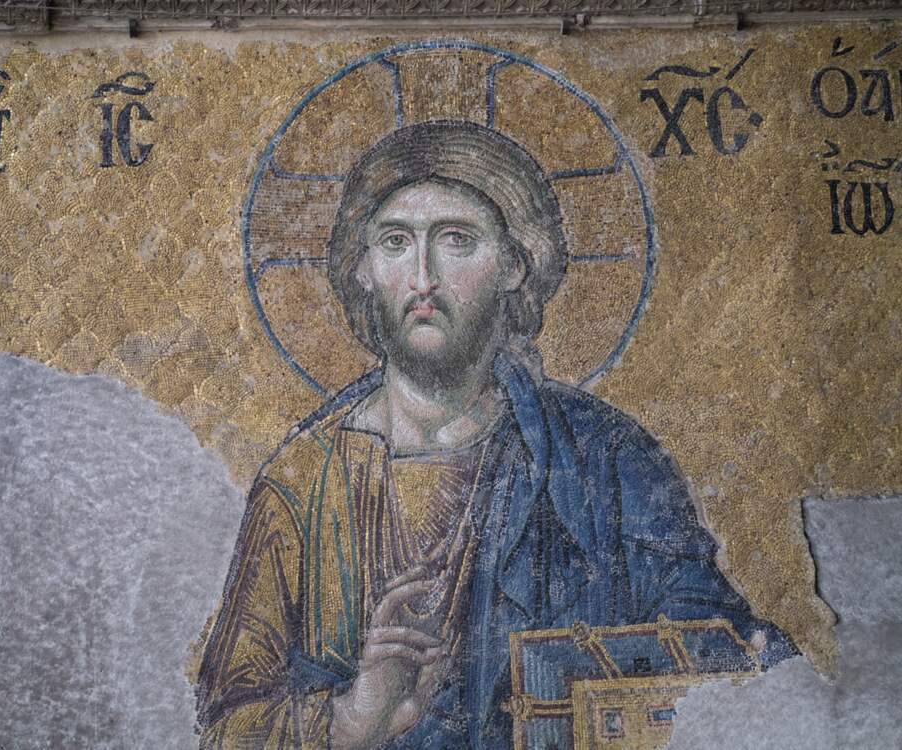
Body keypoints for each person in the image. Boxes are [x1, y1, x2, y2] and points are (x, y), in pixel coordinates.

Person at [196, 121, 796, 750]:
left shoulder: (605, 459)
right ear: (364, 268)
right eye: (396, 241)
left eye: (456, 239)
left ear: (515, 263)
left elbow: (722, 653)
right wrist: (351, 719)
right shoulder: (302, 485)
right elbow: (223, 723)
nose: (422, 277)